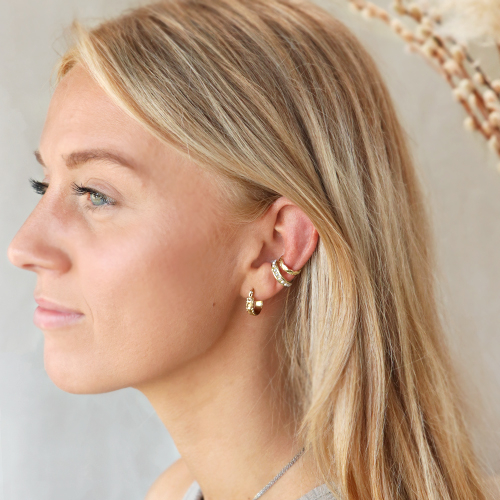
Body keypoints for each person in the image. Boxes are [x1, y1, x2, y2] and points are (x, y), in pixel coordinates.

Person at [7, 0, 497, 498]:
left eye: (95, 194)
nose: (23, 247)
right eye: (43, 185)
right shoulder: (179, 489)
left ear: (275, 248)